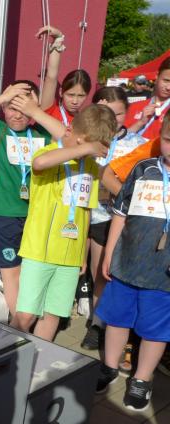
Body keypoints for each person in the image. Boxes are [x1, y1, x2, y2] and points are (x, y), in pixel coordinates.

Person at [10, 105, 118, 341]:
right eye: (86, 146)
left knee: (53, 316)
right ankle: (8, 358)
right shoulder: (49, 153)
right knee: (26, 316)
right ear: (70, 132)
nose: (88, 153)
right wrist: (84, 147)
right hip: (39, 251)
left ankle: (39, 360)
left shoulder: (90, 167)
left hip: (69, 255)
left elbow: (86, 211)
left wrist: (81, 255)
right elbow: (39, 164)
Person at [0, 80, 65, 317]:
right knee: (12, 276)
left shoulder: (40, 134)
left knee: (30, 275)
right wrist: (2, 97)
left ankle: (23, 323)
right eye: (12, 108)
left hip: (34, 218)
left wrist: (35, 112)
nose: (18, 115)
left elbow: (66, 137)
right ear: (3, 109)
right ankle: (19, 327)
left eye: (24, 109)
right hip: (0, 216)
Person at [94, 117, 170, 411]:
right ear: (160, 137)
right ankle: (109, 366)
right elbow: (120, 213)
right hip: (127, 263)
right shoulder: (143, 169)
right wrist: (110, 253)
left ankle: (142, 378)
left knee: (155, 329)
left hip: (163, 274)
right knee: (117, 318)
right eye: (168, 140)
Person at [81, 87, 148, 353]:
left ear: (127, 113)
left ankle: (116, 327)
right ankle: (96, 323)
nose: (113, 119)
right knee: (100, 272)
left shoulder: (139, 144)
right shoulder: (88, 140)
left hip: (126, 220)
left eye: (119, 114)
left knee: (119, 277)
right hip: (97, 216)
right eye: (107, 112)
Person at [125, 57, 170, 139]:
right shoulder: (135, 106)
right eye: (166, 80)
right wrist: (141, 122)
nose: (168, 87)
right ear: (157, 76)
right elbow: (119, 138)